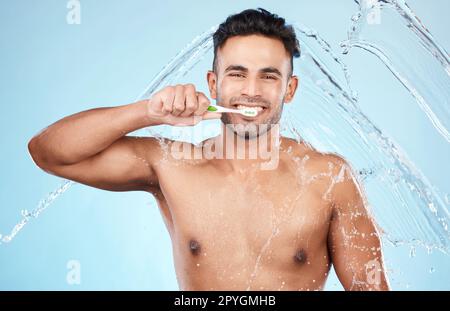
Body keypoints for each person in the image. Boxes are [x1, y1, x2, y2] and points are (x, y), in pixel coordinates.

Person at [28, 8, 389, 290]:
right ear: (213, 84)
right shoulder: (172, 166)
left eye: (268, 75)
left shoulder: (329, 178)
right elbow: (49, 152)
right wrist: (148, 112)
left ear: (289, 89)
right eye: (236, 74)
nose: (251, 90)